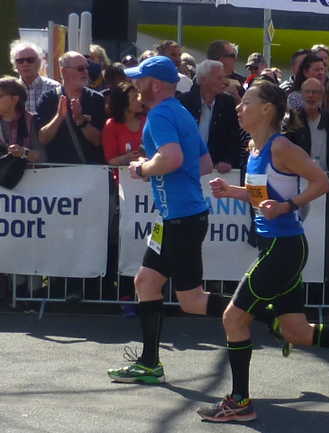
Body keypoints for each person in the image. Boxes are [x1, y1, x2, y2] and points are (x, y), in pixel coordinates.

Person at [197, 80, 329, 422]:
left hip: (284, 248)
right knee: (297, 332)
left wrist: (288, 205)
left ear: (266, 109)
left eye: (246, 102)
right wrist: (232, 191)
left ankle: (240, 401)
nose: (238, 108)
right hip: (276, 247)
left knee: (233, 317)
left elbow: (323, 182)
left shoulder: (282, 147)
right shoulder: (255, 148)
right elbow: (261, 197)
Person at [105, 56, 217, 383]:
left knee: (191, 300)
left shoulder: (159, 115)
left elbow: (172, 158)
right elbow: (205, 163)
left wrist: (143, 168)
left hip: (182, 218)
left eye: (139, 79)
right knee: (146, 282)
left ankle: (261, 314)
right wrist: (165, 172)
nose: (134, 84)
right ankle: (149, 362)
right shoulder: (180, 112)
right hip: (175, 217)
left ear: (154, 85)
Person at [37, 51, 106, 164]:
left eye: (86, 68)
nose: (85, 72)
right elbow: (42, 139)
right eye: (80, 69)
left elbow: (98, 141)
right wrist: (59, 117)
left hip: (90, 169)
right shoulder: (48, 98)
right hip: (57, 169)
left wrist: (81, 121)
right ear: (64, 71)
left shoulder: (96, 99)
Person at [178, 60, 242, 173]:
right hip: (184, 167)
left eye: (224, 77)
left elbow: (234, 139)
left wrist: (228, 161)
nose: (225, 82)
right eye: (219, 78)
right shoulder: (183, 102)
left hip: (215, 170)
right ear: (203, 79)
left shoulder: (227, 103)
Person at [283, 78, 329, 175]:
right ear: (301, 95)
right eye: (307, 92)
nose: (311, 95)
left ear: (322, 96)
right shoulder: (292, 120)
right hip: (301, 175)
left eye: (315, 92)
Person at [9, 40, 60, 115]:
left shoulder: (54, 87)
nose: (25, 64)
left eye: (30, 60)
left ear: (39, 62)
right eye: (20, 61)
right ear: (15, 64)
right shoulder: (8, 90)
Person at [102, 82, 145, 167]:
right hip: (123, 174)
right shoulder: (111, 126)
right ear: (123, 103)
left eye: (139, 95)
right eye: (135, 98)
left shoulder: (146, 121)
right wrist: (126, 158)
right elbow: (110, 160)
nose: (140, 100)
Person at [0, 76, 43, 162]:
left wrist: (23, 152)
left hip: (27, 170)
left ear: (15, 99)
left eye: (0, 96)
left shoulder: (32, 121)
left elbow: (42, 156)